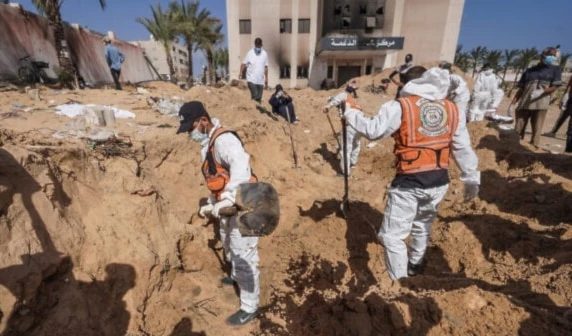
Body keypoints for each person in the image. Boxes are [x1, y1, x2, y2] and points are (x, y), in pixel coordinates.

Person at [342, 66, 480, 280]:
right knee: (421, 225)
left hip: (411, 181)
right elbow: (462, 147)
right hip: (439, 181)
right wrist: (471, 177)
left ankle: (401, 284)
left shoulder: (401, 106)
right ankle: (415, 264)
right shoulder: (452, 109)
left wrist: (350, 112)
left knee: (391, 236)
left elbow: (373, 131)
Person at [176, 101, 260, 326]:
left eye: (191, 128)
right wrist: (212, 202)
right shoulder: (208, 144)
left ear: (203, 121)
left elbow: (241, 166)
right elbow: (218, 178)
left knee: (244, 255)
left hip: (246, 203)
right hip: (229, 206)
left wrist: (231, 197)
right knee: (229, 244)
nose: (190, 134)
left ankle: (250, 307)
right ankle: (236, 278)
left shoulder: (224, 140)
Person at [510, 47, 562, 147]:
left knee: (536, 130)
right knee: (518, 130)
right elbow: (521, 89)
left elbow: (554, 87)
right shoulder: (530, 71)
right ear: (542, 56)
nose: (551, 58)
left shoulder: (555, 70)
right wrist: (513, 103)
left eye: (553, 56)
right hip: (525, 103)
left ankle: (533, 148)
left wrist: (542, 91)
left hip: (540, 104)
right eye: (549, 55)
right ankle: (514, 147)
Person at [323, 85, 363, 176]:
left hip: (350, 124)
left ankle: (345, 173)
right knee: (356, 143)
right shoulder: (352, 100)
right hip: (360, 123)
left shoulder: (343, 95)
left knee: (345, 148)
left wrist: (327, 107)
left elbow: (335, 100)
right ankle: (352, 162)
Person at [240, 37, 268, 104]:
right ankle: (254, 111)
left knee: (259, 98)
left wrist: (266, 78)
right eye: (257, 45)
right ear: (255, 44)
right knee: (255, 96)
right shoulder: (250, 53)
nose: (258, 46)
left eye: (259, 44)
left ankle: (257, 113)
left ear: (261, 45)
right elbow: (243, 63)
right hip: (251, 79)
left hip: (260, 80)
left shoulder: (265, 54)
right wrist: (240, 72)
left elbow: (266, 67)